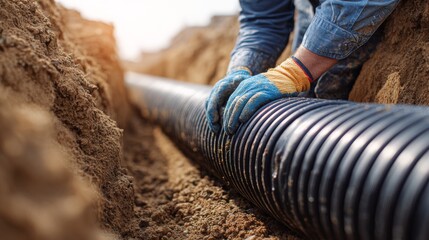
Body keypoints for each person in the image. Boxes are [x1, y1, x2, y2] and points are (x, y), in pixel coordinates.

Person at [205, 0, 401, 135]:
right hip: (315, 9)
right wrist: (243, 67)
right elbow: (262, 20)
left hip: (364, 12)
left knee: (333, 115)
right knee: (304, 107)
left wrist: (297, 71)